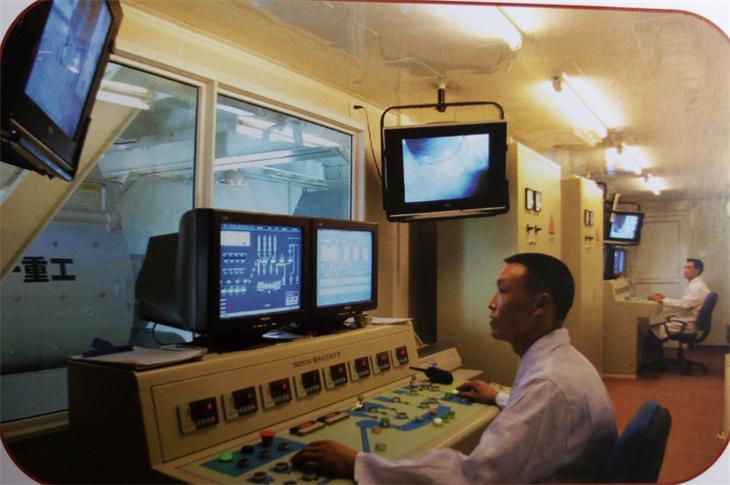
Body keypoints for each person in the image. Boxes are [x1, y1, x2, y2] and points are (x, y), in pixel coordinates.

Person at [291, 253, 617, 483]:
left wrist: (359, 464)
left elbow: (473, 478)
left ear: (540, 305)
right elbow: (543, 417)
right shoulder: (564, 363)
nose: (491, 303)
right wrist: (500, 398)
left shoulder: (546, 385)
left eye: (503, 291)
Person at [644, 258, 711, 364]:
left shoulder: (698, 287)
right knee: (655, 328)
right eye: (685, 267)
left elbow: (684, 305)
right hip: (688, 321)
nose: (685, 270)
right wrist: (665, 298)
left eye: (688, 267)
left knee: (652, 331)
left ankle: (656, 364)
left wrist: (662, 300)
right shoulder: (695, 284)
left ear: (697, 270)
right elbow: (686, 303)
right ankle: (657, 360)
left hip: (687, 325)